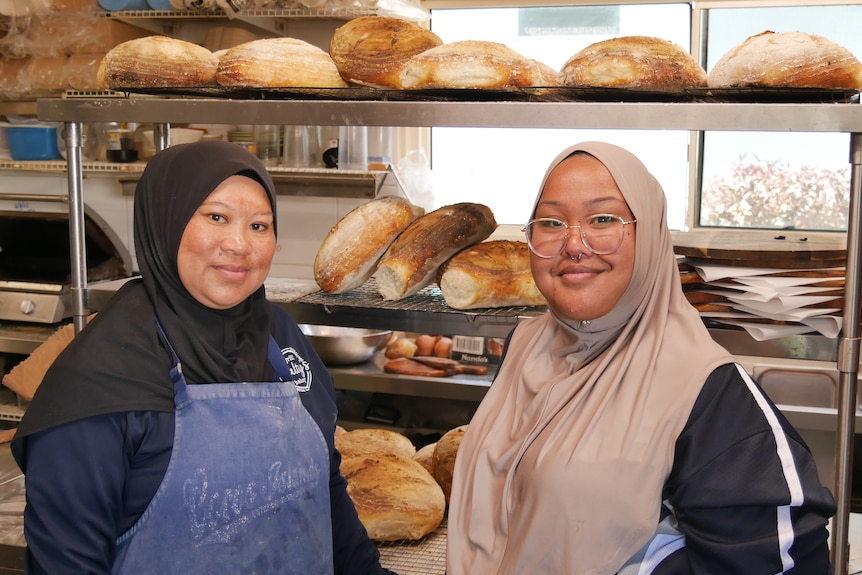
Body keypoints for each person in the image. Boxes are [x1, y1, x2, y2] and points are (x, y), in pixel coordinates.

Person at [446, 141, 837, 575]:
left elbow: (789, 561)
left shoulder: (704, 387)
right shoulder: (525, 344)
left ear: (648, 234)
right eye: (552, 222)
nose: (574, 244)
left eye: (603, 219)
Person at [11, 140, 396, 575]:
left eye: (259, 226)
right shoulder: (99, 378)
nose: (239, 244)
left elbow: (325, 492)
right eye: (216, 217)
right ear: (166, 224)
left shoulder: (281, 337)